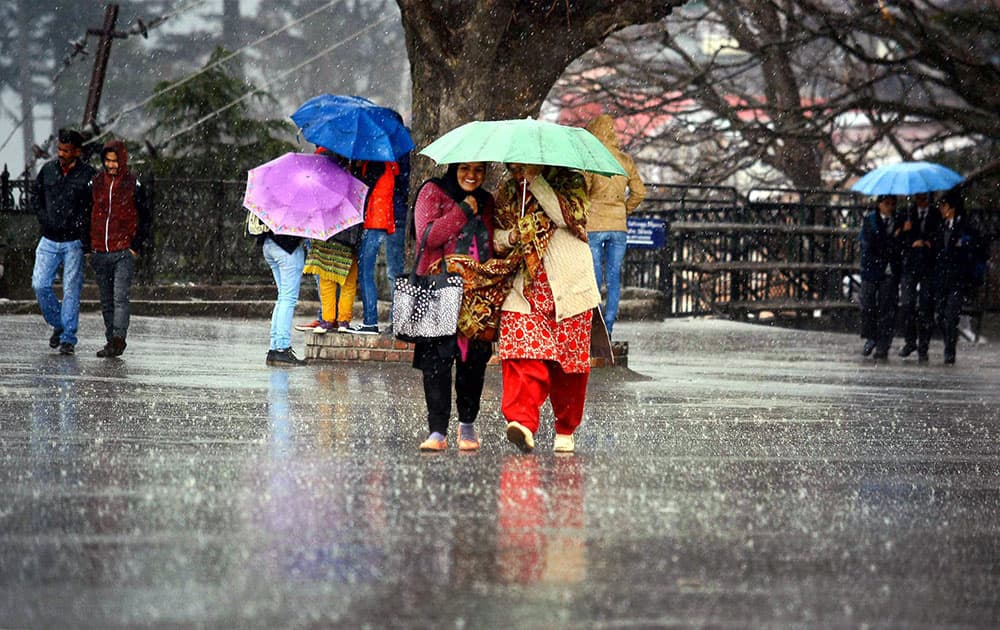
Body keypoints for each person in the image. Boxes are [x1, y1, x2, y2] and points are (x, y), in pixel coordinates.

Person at [493, 163, 601, 454]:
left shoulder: (571, 180)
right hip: (525, 286)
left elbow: (567, 217)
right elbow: (495, 237)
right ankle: (522, 423)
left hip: (569, 285)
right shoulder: (507, 191)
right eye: (513, 166)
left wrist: (536, 180)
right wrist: (512, 237)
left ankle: (565, 428)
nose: (516, 170)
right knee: (521, 353)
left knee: (569, 365)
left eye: (521, 165)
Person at [412, 162, 496, 451]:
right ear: (453, 168)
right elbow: (427, 236)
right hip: (438, 288)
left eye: (479, 170)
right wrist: (462, 211)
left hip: (476, 296)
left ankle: (467, 425)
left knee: (473, 361)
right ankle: (437, 431)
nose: (472, 175)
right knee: (436, 362)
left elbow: (491, 244)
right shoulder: (432, 192)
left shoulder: (487, 201)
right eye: (465, 168)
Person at [31, 128, 96, 355]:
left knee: (71, 289)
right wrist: (44, 218)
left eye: (66, 150)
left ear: (77, 152)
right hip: (49, 238)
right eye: (59, 149)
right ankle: (59, 324)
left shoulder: (88, 175)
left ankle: (68, 337)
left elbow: (92, 207)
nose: (61, 153)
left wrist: (83, 232)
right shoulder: (48, 171)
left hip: (73, 241)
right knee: (40, 284)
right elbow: (36, 196)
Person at [584, 114, 646, 339]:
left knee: (594, 279)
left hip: (594, 224)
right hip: (618, 226)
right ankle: (608, 327)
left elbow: (585, 189)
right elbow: (640, 192)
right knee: (613, 278)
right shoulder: (625, 160)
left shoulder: (592, 159)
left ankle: (594, 325)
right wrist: (624, 210)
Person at [89, 139, 152, 358]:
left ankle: (118, 338)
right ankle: (111, 339)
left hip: (123, 249)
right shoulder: (96, 182)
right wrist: (90, 245)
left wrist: (134, 245)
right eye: (107, 161)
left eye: (115, 161)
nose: (111, 165)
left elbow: (145, 217)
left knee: (120, 297)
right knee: (106, 300)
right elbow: (86, 212)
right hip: (100, 249)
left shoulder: (133, 184)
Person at [343, 159, 400, 335]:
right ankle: (370, 321)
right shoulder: (384, 164)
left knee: (365, 273)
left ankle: (370, 321)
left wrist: (355, 171)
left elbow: (362, 190)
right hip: (379, 221)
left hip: (374, 222)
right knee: (365, 272)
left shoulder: (377, 164)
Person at [931, 188, 985, 365]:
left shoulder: (966, 229)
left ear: (951, 208)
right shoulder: (940, 227)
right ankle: (949, 343)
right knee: (940, 315)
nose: (941, 210)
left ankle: (950, 350)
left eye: (944, 206)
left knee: (951, 314)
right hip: (941, 278)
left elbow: (975, 252)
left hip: (958, 279)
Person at [858, 194, 903, 361]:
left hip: (889, 270)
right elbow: (869, 244)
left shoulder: (898, 221)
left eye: (892, 204)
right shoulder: (870, 221)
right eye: (886, 203)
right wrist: (891, 240)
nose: (889, 207)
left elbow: (899, 246)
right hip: (872, 268)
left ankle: (883, 344)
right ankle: (871, 336)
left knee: (887, 307)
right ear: (879, 204)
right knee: (868, 304)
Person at [897, 192, 940, 361]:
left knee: (926, 306)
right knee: (907, 304)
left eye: (924, 199)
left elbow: (939, 237)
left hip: (928, 265)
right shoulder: (907, 213)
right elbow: (897, 239)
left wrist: (928, 242)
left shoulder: (935, 215)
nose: (921, 202)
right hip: (910, 264)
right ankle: (910, 341)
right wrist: (906, 235)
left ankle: (923, 345)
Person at [259, 226, 307, 366]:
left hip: (269, 243)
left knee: (282, 297)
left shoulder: (276, 204)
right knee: (288, 298)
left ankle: (274, 348)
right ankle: (282, 348)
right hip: (287, 247)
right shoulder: (297, 203)